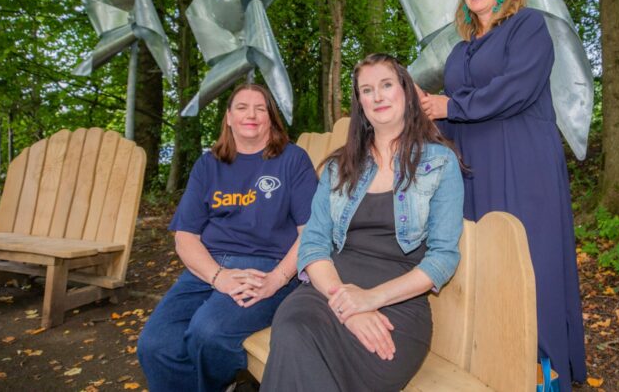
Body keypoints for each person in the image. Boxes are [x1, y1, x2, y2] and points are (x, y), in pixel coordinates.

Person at [418, 0, 587, 392]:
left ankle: (542, 376)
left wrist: (449, 104)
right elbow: (446, 116)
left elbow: (517, 88)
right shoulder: (459, 50)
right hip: (473, 168)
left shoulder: (528, 27)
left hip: (523, 161)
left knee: (532, 263)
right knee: (483, 265)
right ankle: (494, 365)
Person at [261, 53, 464, 392]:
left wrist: (371, 300)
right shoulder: (338, 168)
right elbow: (313, 244)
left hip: (397, 307)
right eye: (367, 90)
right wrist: (348, 304)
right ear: (361, 104)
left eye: (386, 85)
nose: (378, 96)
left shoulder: (440, 163)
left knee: (302, 359)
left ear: (406, 92)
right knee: (294, 331)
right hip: (327, 294)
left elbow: (443, 257)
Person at [137, 84, 317, 392]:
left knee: (209, 333)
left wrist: (277, 279)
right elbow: (185, 237)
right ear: (229, 118)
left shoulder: (292, 160)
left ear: (271, 119)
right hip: (208, 268)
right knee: (154, 343)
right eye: (243, 107)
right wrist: (218, 277)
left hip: (268, 267)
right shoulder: (208, 165)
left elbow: (311, 232)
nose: (252, 115)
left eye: (261, 108)